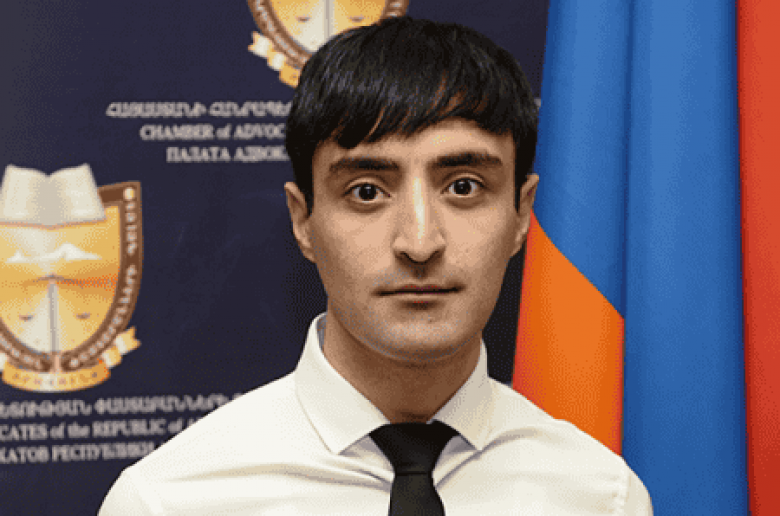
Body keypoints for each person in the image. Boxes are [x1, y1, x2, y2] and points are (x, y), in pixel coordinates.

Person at [99, 16, 652, 515]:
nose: (419, 243)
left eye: (463, 187)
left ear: (522, 215)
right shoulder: (168, 502)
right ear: (303, 221)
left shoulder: (601, 498)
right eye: (366, 191)